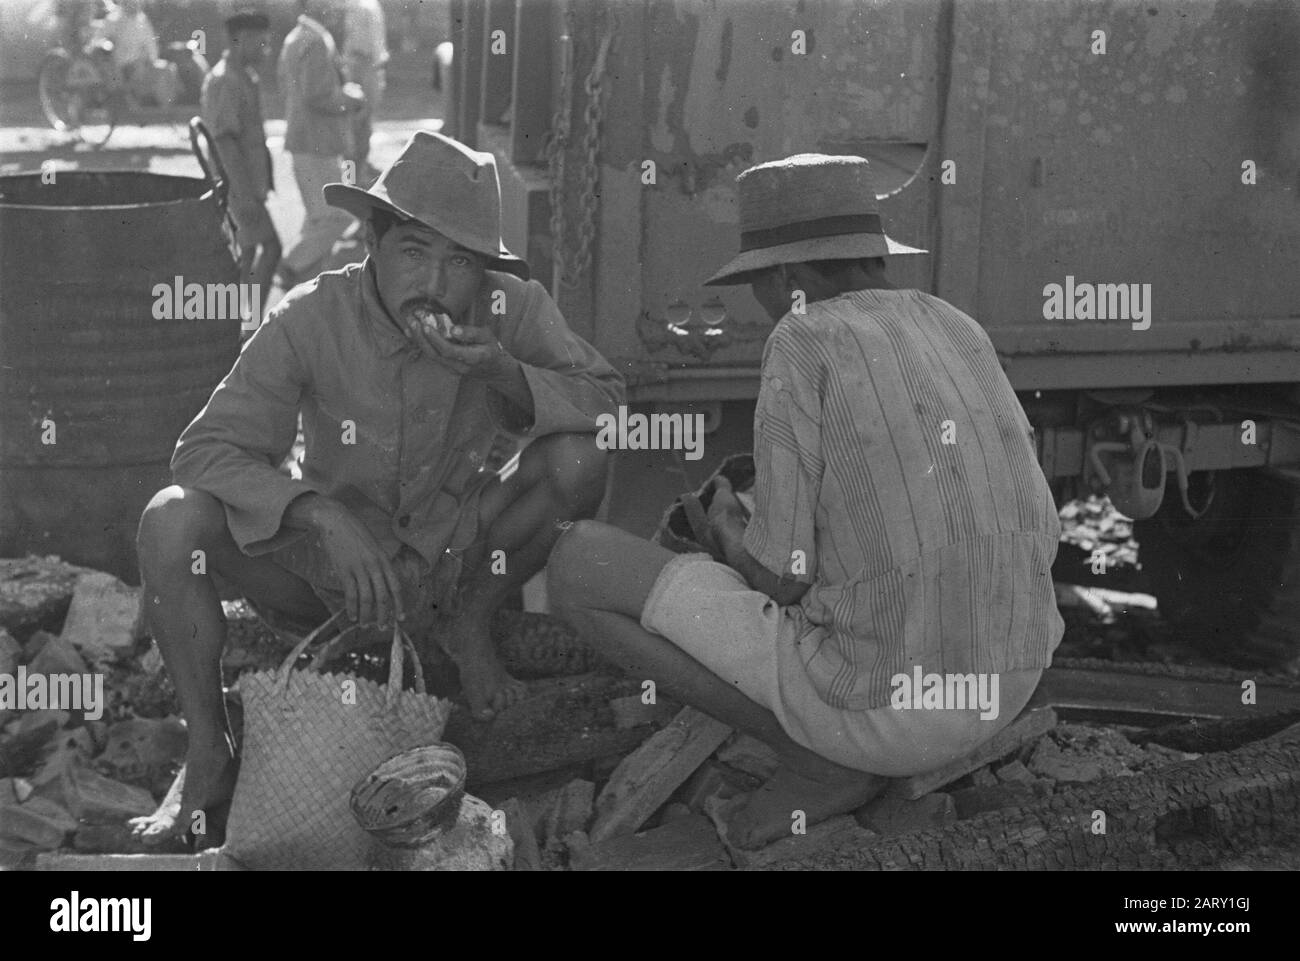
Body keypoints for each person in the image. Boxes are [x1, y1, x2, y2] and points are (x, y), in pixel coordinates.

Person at [547, 153, 1064, 849]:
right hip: (1009, 685)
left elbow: (783, 575)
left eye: (759, 284)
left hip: (885, 720)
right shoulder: (956, 324)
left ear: (787, 277)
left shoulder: (801, 338)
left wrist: (728, 530)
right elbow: (1035, 526)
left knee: (578, 564)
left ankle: (818, 762)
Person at [133, 131, 624, 841]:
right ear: (373, 242)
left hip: (456, 558)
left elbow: (610, 407)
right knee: (170, 519)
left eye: (460, 261)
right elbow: (205, 450)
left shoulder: (508, 306)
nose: (435, 281)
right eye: (414, 251)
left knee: (582, 457)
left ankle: (471, 625)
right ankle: (209, 750)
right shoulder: (308, 316)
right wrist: (317, 511)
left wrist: (502, 373)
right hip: (326, 576)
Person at [276, 0, 365, 288]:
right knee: (335, 218)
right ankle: (292, 266)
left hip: (308, 139)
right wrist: (351, 98)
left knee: (319, 219)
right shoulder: (315, 41)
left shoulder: (298, 37)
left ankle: (306, 283)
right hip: (317, 142)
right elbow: (317, 94)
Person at [200, 7, 279, 310]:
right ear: (243, 39)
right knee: (268, 248)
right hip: (236, 188)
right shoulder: (225, 80)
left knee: (247, 253)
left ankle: (238, 320)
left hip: (244, 186)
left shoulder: (244, 76)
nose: (266, 50)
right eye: (262, 42)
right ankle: (248, 321)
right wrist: (242, 194)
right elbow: (224, 142)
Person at [342, 0, 387, 182]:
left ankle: (356, 177)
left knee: (363, 128)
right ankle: (350, 179)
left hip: (370, 67)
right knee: (354, 130)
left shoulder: (371, 5)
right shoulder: (359, 6)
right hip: (361, 65)